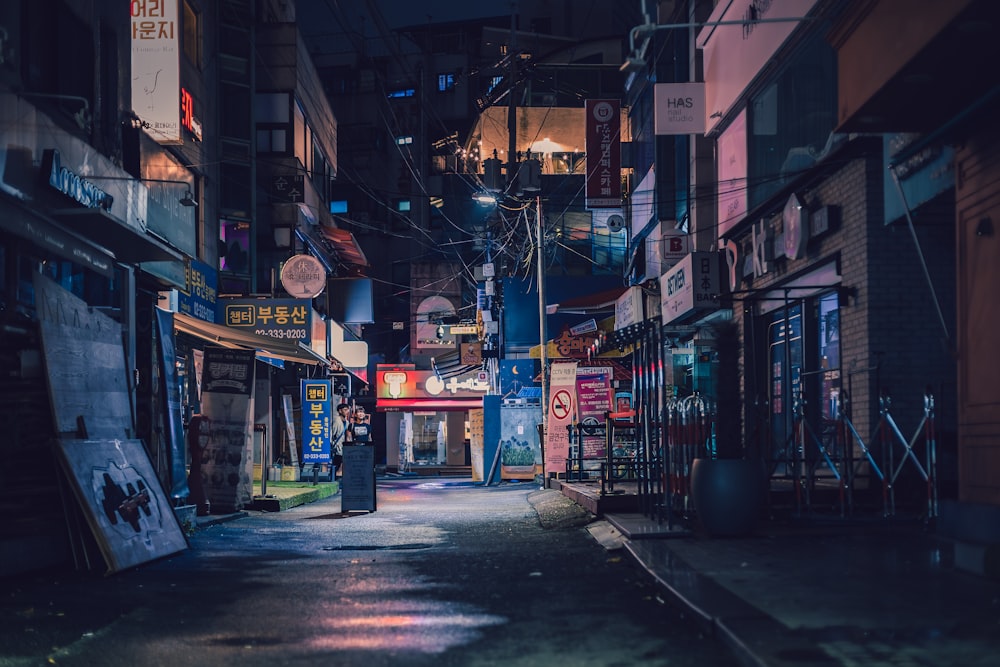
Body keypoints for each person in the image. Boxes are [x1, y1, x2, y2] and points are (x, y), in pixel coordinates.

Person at [331, 403, 350, 479]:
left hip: (343, 447)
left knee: (342, 463)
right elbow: (331, 434)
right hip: (337, 447)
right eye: (345, 410)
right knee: (338, 463)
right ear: (340, 411)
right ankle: (336, 478)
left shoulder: (347, 422)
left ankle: (339, 478)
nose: (347, 411)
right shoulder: (337, 421)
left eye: (348, 410)